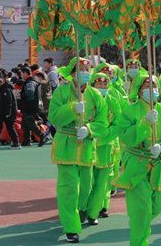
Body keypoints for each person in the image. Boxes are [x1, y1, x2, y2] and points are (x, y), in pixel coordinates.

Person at [113, 73, 161, 246]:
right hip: (136, 164)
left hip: (158, 166)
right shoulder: (129, 110)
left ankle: (139, 224)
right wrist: (144, 123)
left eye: (155, 86)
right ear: (139, 89)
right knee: (141, 210)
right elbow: (125, 137)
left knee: (156, 207)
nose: (152, 90)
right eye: (147, 86)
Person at [49, 57, 108, 243]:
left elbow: (103, 121)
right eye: (80, 69)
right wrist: (73, 108)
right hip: (66, 145)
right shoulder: (61, 92)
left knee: (85, 188)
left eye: (87, 69)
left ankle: (81, 209)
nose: (84, 72)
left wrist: (90, 130)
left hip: (87, 146)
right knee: (69, 189)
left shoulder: (96, 95)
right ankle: (71, 227)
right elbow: (54, 118)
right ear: (73, 72)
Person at [86, 73, 123, 223]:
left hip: (106, 147)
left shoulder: (113, 102)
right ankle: (83, 208)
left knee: (102, 183)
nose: (102, 87)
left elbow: (119, 124)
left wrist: (104, 135)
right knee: (87, 182)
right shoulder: (86, 100)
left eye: (105, 85)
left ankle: (93, 213)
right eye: (99, 84)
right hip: (88, 146)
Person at [19, 67, 51, 147]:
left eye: (22, 73)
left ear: (26, 73)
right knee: (25, 124)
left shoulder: (30, 82)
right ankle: (27, 141)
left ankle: (43, 136)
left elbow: (30, 92)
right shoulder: (33, 81)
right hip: (32, 106)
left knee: (31, 124)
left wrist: (22, 96)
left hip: (29, 106)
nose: (21, 75)